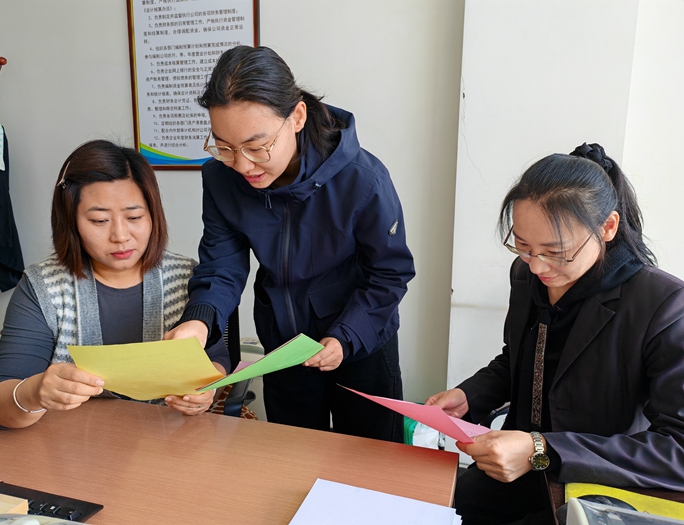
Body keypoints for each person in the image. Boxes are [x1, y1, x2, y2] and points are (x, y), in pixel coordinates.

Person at [164, 45, 415, 442]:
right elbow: (222, 266)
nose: (242, 164)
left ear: (297, 117)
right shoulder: (221, 179)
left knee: (369, 457)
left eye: (256, 146)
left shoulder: (362, 179)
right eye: (224, 147)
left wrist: (345, 337)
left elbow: (389, 274)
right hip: (284, 344)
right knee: (292, 455)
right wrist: (199, 319)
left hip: (361, 338)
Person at [426, 143, 684, 524]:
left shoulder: (662, 304)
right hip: (514, 473)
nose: (536, 266)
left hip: (591, 488)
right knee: (431, 507)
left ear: (608, 227)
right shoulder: (525, 275)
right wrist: (469, 395)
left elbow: (676, 449)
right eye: (523, 246)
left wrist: (540, 449)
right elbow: (517, 360)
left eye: (556, 252)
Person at [0, 140, 230, 429]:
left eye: (134, 217)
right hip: (71, 445)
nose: (120, 236)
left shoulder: (187, 277)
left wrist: (206, 391)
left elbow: (216, 359)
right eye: (99, 220)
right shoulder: (44, 287)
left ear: (153, 215)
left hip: (168, 441)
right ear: (71, 221)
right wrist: (34, 392)